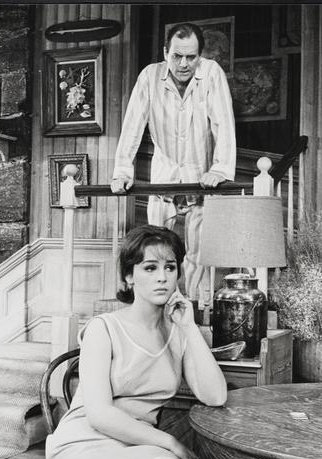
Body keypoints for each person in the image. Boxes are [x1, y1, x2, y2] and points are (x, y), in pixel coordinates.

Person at [45, 224, 227, 459]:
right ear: (129, 276)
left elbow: (215, 395)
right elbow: (99, 415)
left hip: (138, 446)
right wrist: (170, 443)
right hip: (86, 444)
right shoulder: (103, 328)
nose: (162, 278)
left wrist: (189, 326)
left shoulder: (178, 330)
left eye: (170, 267)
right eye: (150, 268)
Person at [110, 22, 236, 314]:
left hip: (201, 180)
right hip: (163, 178)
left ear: (200, 55)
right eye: (177, 56)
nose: (183, 64)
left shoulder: (212, 73)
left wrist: (220, 169)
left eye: (191, 57)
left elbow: (224, 124)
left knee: (198, 253)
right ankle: (155, 310)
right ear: (165, 52)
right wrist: (122, 172)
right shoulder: (149, 76)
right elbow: (132, 127)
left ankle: (191, 311)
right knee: (156, 249)